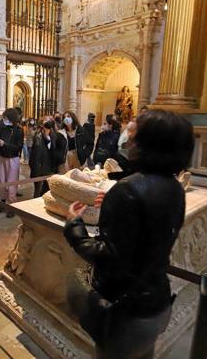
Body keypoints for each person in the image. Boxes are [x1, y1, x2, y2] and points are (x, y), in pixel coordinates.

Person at [64, 110, 195, 359]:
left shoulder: (127, 191)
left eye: (134, 137)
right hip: (157, 301)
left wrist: (74, 225)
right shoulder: (174, 187)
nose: (128, 142)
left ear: (149, 144)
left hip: (126, 311)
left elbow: (110, 258)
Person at [0, 108, 24, 217]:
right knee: (1, 181)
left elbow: (18, 147)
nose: (4, 119)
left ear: (11, 118)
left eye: (6, 117)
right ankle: (2, 203)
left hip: (12, 158)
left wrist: (5, 144)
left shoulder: (18, 130)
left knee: (11, 183)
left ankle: (12, 205)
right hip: (2, 157)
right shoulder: (2, 128)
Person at [30, 117, 64, 198]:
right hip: (39, 169)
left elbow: (54, 151)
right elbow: (36, 156)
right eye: (45, 123)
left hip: (49, 169)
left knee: (47, 192)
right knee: (38, 192)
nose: (47, 125)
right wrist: (36, 172)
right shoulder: (38, 136)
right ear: (41, 124)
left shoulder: (54, 136)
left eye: (49, 123)